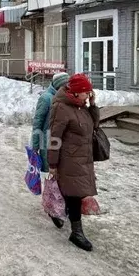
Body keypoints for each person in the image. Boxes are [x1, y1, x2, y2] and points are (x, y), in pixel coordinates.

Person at [47, 73, 100, 252]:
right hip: (69, 160)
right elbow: (55, 138)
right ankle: (76, 233)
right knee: (75, 195)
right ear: (76, 92)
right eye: (86, 92)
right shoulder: (61, 107)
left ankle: (56, 210)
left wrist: (92, 105)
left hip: (83, 158)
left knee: (72, 193)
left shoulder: (81, 106)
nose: (88, 95)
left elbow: (95, 124)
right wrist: (52, 165)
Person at [31, 71, 70, 226]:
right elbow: (37, 123)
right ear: (59, 85)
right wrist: (35, 146)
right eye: (65, 85)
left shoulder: (66, 98)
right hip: (49, 144)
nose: (67, 88)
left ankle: (61, 207)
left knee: (63, 177)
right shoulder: (46, 98)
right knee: (55, 178)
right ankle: (53, 208)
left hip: (64, 144)